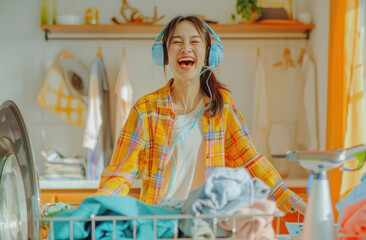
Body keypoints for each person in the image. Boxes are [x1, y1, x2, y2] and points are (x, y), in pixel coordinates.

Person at [96, 15, 307, 215]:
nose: (185, 48)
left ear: (208, 54)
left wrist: (289, 198)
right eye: (176, 42)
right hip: (159, 224)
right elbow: (120, 174)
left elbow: (251, 159)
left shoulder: (222, 107)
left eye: (194, 42)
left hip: (207, 223)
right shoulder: (146, 110)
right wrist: (94, 208)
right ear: (165, 55)